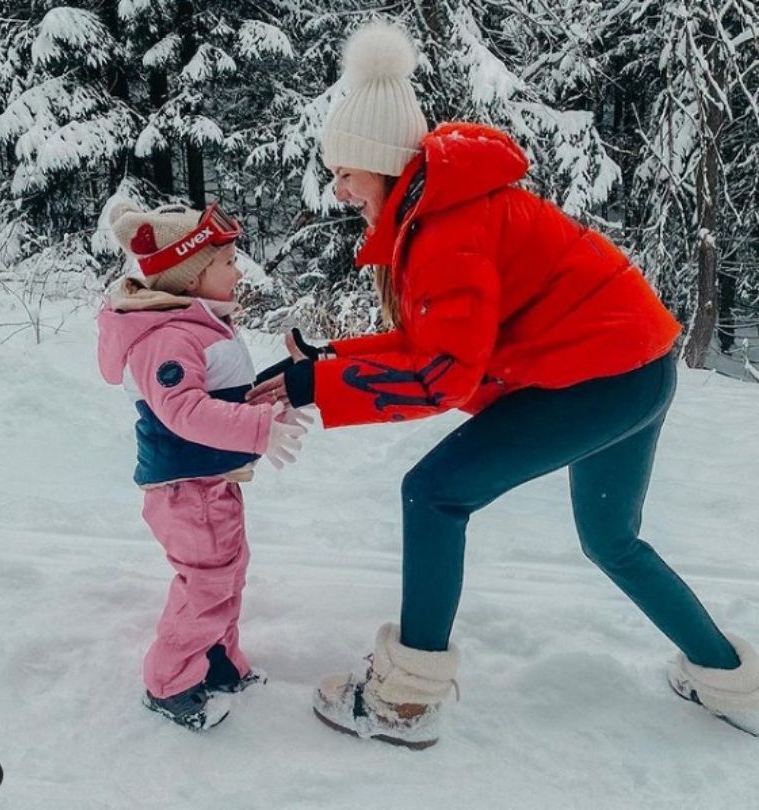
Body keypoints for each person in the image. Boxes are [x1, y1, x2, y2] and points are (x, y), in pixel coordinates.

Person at [247, 21, 759, 748]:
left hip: (601, 379)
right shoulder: (446, 210)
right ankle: (734, 684)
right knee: (612, 540)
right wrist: (328, 360)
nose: (339, 188)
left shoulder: (446, 230)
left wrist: (316, 386)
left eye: (346, 170)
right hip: (638, 368)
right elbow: (436, 339)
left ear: (382, 164)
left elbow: (441, 376)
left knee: (434, 494)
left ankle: (406, 702)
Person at [98, 201, 307, 731]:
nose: (239, 272)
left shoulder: (199, 324)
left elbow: (225, 397)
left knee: (226, 575)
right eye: (228, 263)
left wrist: (281, 396)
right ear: (191, 277)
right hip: (185, 491)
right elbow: (185, 411)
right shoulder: (167, 337)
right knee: (206, 585)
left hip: (211, 484)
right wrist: (258, 429)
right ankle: (169, 683)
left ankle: (215, 661)